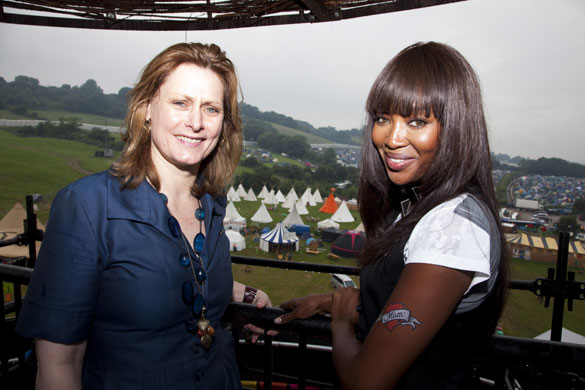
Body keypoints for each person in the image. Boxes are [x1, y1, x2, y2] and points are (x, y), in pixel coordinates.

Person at [16, 42, 272, 389]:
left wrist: (243, 294)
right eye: (180, 103)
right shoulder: (88, 207)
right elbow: (59, 364)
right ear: (148, 107)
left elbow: (174, 272)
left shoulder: (212, 203)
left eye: (211, 109)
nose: (195, 122)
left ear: (224, 123)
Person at [275, 42, 508, 389]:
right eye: (383, 118)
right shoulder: (417, 209)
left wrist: (340, 322)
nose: (392, 138)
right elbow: (410, 307)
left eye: (417, 121)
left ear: (456, 128)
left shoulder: (452, 226)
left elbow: (364, 382)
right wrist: (329, 302)